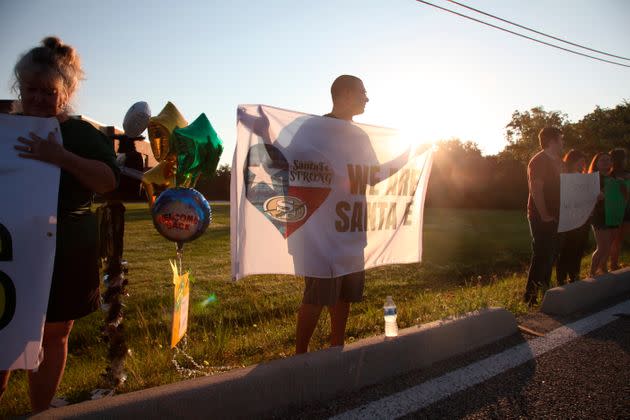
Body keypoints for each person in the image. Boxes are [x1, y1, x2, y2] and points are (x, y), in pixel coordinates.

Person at [0, 37, 119, 412]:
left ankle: (40, 410)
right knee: (5, 328)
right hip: (12, 246)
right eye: (29, 90)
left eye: (47, 92)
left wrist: (59, 156)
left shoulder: (80, 134)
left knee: (55, 334)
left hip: (67, 248)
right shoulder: (6, 129)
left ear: (65, 93)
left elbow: (107, 182)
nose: (36, 99)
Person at [523, 127, 563, 305]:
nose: (563, 142)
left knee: (551, 253)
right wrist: (545, 214)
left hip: (556, 216)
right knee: (541, 255)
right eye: (561, 138)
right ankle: (529, 298)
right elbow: (536, 189)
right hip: (541, 217)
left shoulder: (557, 161)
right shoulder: (539, 160)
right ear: (552, 141)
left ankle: (545, 291)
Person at [555, 150, 589, 284]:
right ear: (572, 162)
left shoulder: (585, 178)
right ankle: (561, 280)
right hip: (568, 220)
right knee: (566, 250)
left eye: (584, 162)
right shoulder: (563, 177)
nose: (583, 165)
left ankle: (574, 277)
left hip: (583, 220)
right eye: (580, 162)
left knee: (578, 250)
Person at [588, 152, 616, 276]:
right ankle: (592, 274)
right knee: (602, 247)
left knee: (608, 245)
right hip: (599, 216)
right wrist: (604, 191)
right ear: (596, 163)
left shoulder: (612, 177)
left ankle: (603, 269)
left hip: (611, 214)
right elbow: (592, 197)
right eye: (602, 160)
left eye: (608, 160)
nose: (606, 162)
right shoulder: (594, 178)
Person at [608, 148, 630, 271]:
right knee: (615, 239)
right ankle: (613, 265)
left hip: (627, 209)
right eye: (625, 158)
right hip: (615, 210)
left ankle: (614, 264)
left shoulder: (627, 174)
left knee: (619, 239)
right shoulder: (610, 176)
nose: (626, 160)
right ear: (620, 160)